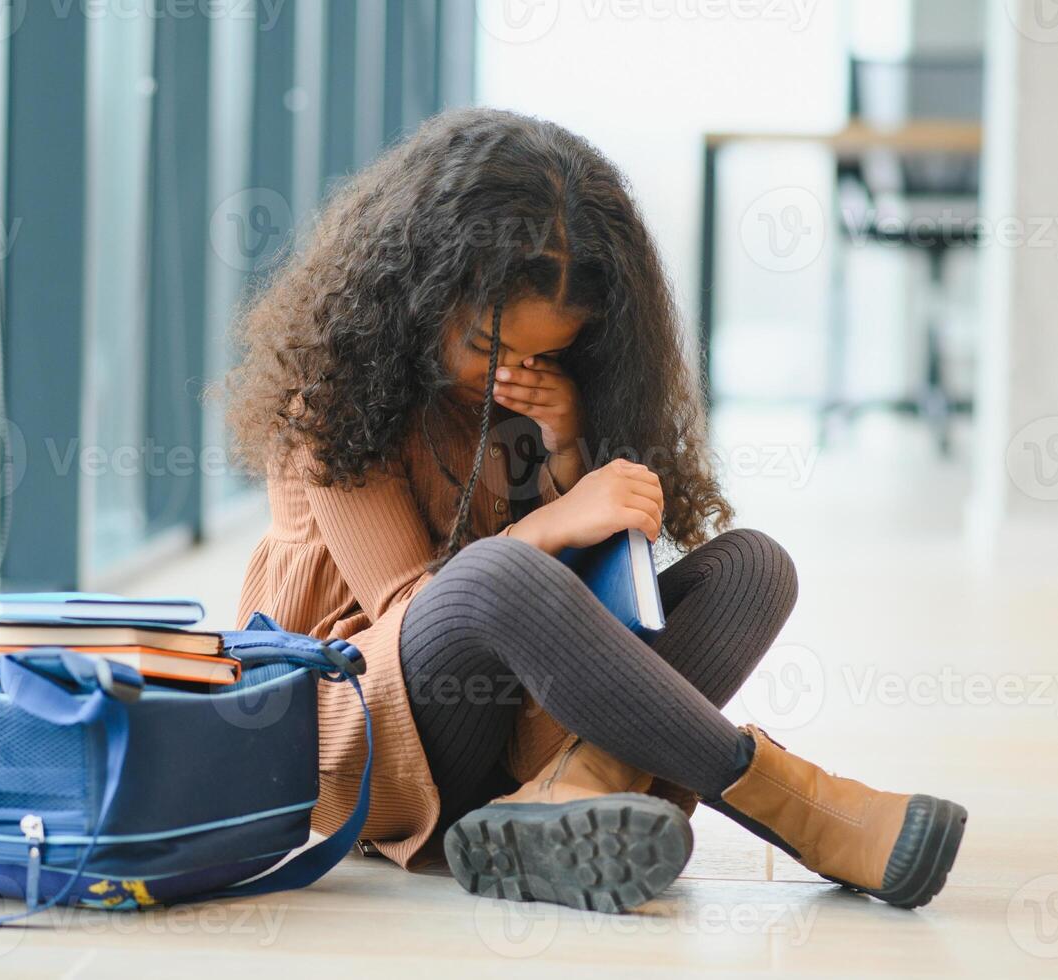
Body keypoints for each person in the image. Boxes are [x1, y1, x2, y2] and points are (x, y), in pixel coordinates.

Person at [227, 107, 966, 913]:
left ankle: (562, 791)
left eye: (543, 353)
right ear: (417, 292)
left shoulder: (528, 412)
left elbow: (580, 594)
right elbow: (422, 611)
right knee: (500, 570)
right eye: (488, 346)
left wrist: (570, 450)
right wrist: (553, 520)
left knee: (752, 566)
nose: (510, 372)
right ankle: (796, 805)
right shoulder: (329, 408)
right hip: (367, 735)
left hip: (515, 728)